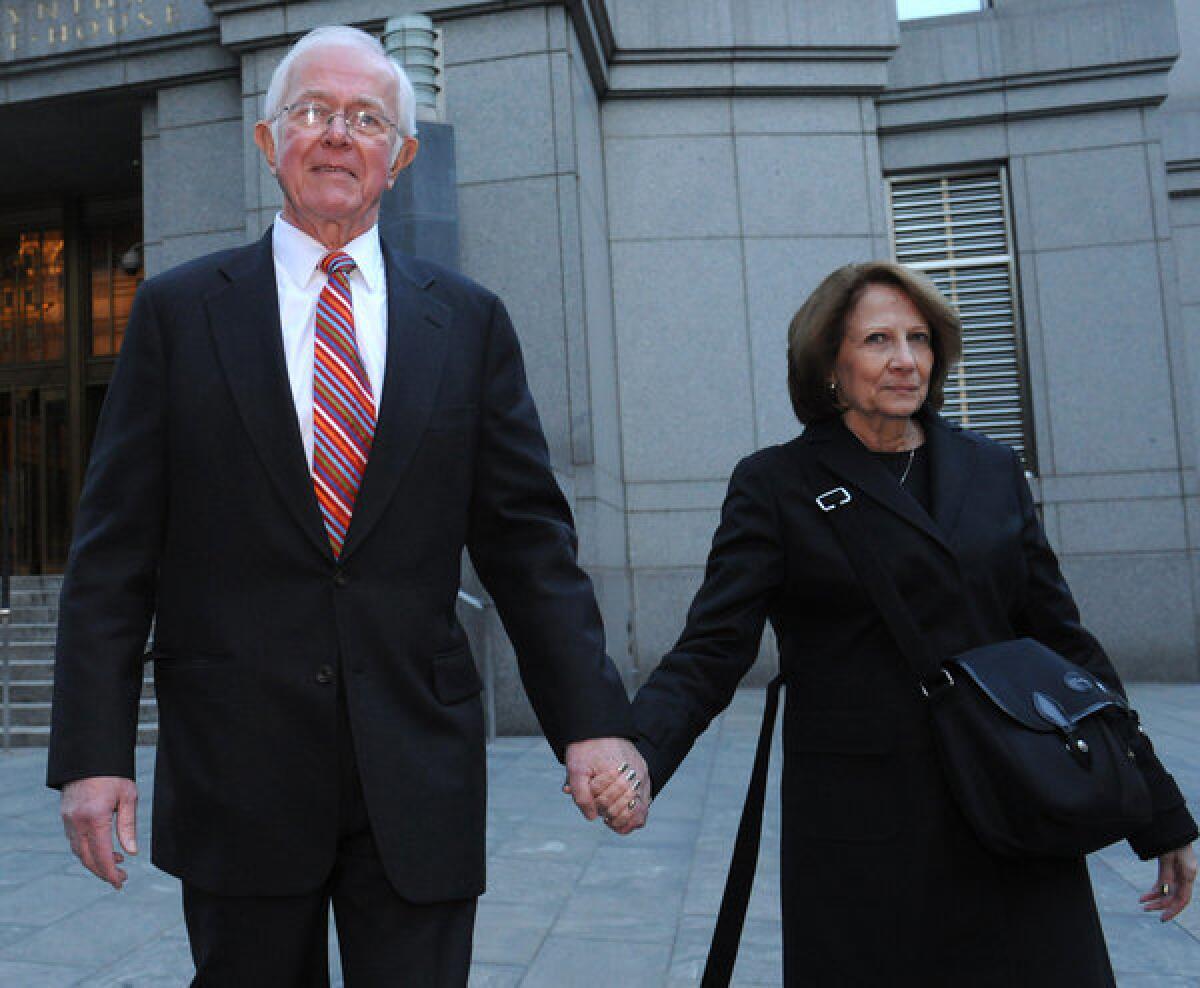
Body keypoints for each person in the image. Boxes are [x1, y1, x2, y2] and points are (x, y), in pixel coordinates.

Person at [47, 24, 646, 987]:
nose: (338, 134)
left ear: (400, 158)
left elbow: (528, 542)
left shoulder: (469, 321)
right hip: (238, 768)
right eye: (313, 112)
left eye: (365, 119)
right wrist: (91, 754)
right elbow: (114, 554)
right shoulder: (179, 314)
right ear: (266, 139)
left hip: (417, 764)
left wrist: (592, 720)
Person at [589, 261, 1198, 985]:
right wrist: (643, 754)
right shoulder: (777, 483)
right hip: (864, 829)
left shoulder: (991, 470)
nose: (905, 359)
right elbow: (714, 648)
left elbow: (1065, 644)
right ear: (830, 365)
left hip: (1011, 805)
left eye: (919, 338)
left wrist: (1159, 809)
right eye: (878, 339)